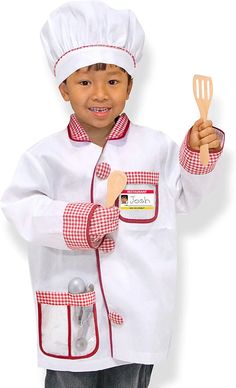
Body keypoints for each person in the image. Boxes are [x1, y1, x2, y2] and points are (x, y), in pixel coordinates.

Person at [1, 1, 224, 387]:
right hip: (72, 317)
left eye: (113, 82)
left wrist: (200, 151)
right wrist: (82, 221)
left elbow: (185, 197)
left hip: (139, 318)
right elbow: (21, 208)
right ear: (64, 90)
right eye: (85, 82)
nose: (100, 94)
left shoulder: (156, 149)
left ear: (130, 86)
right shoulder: (45, 156)